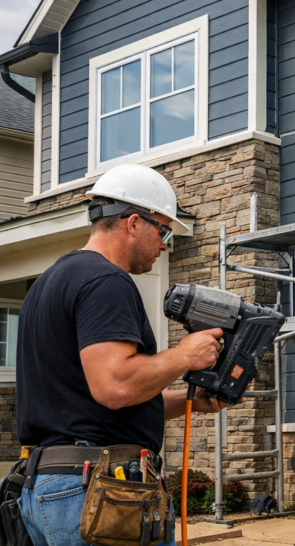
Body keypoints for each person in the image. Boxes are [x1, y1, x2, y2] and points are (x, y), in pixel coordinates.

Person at [16, 163, 228, 546]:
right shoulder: (106, 280)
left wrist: (192, 402)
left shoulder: (46, 284)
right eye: (162, 229)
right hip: (99, 489)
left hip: (51, 485)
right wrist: (184, 355)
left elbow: (96, 402)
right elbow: (115, 386)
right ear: (133, 223)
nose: (165, 243)